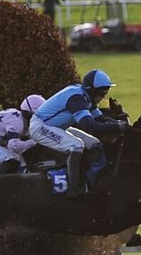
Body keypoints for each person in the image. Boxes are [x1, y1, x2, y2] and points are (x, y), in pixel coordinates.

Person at [30, 68, 120, 196]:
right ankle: (74, 189)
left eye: (106, 91)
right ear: (92, 90)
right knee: (77, 146)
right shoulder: (77, 98)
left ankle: (90, 180)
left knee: (94, 144)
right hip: (40, 127)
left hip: (56, 127)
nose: (104, 96)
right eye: (102, 92)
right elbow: (89, 125)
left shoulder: (87, 97)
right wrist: (115, 127)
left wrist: (119, 124)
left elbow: (101, 119)